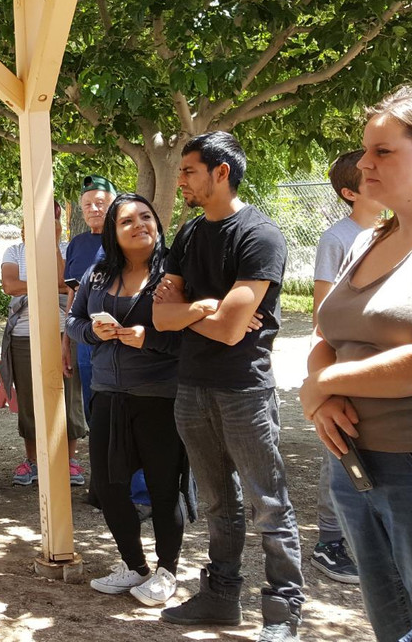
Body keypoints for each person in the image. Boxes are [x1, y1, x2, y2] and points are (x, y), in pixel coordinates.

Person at [153, 131, 304, 641]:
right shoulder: (190, 234)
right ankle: (220, 597)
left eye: (189, 170)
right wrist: (208, 308)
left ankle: (283, 615)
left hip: (244, 390)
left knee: (269, 504)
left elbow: (230, 330)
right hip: (192, 386)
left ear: (221, 172)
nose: (181, 179)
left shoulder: (260, 236)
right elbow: (160, 316)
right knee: (218, 503)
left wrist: (190, 312)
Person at [298, 87, 412, 642]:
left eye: (383, 151)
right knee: (391, 623)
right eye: (367, 149)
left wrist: (323, 383)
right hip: (354, 465)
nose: (364, 163)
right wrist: (321, 397)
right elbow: (329, 331)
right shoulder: (369, 239)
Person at [66, 193, 186, 607]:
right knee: (108, 485)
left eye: (146, 217)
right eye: (127, 221)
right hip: (108, 394)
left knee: (163, 486)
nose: (139, 225)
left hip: (159, 396)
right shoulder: (98, 275)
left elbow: (190, 334)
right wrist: (91, 332)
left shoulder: (174, 274)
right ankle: (134, 566)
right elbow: (73, 320)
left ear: (158, 224)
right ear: (113, 233)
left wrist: (148, 339)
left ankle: (167, 571)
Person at [308, 150, 383, 583]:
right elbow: (322, 314)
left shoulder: (393, 233)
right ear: (349, 193)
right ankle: (329, 542)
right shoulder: (337, 239)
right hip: (345, 365)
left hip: (379, 368)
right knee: (340, 451)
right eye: (368, 175)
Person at [0, 203, 69, 486]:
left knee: (68, 396)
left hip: (62, 333)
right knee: (29, 399)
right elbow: (9, 285)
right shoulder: (15, 251)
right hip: (23, 336)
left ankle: (67, 461)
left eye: (50, 220)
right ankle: (33, 461)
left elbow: (67, 282)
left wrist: (53, 246)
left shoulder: (66, 249)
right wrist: (50, 285)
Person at [62, 174, 116, 487]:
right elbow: (73, 295)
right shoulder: (78, 245)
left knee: (120, 408)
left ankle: (131, 485)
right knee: (94, 409)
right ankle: (102, 483)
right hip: (85, 339)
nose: (94, 209)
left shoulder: (124, 238)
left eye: (100, 203)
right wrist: (65, 343)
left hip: (120, 339)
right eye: (87, 205)